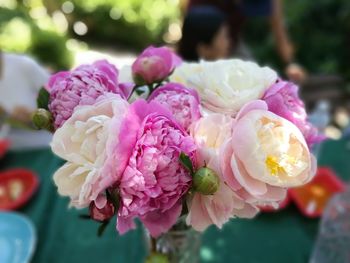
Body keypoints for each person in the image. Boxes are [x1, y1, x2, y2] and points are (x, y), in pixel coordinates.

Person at [187, 0, 306, 83]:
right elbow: (190, 36)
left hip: (233, 42)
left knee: (256, 81)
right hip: (207, 46)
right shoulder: (201, 6)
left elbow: (279, 30)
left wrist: (290, 63)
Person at [0, 51, 52, 149]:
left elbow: (57, 96)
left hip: (43, 146)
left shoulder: (23, 65)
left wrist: (34, 115)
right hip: (9, 151)